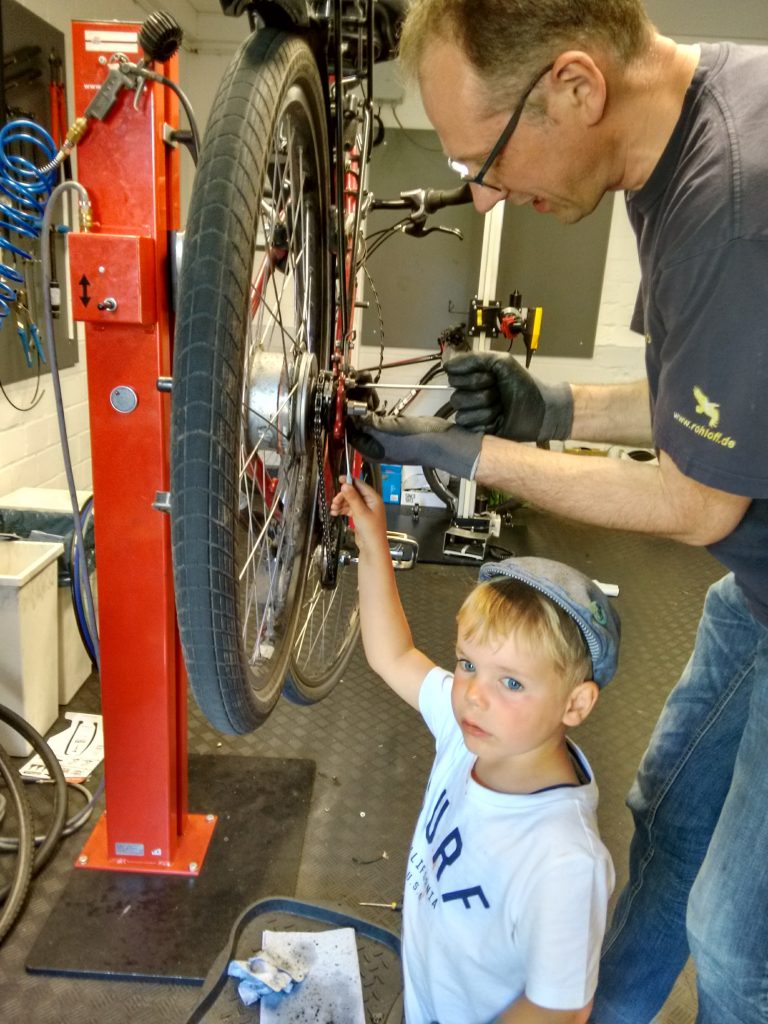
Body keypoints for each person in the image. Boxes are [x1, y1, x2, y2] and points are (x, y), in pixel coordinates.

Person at [348, 3, 768, 1022]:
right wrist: (558, 406)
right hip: (758, 587)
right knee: (668, 820)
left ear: (576, 87)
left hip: (739, 539)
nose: (485, 197)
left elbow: (698, 498)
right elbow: (703, 402)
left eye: (484, 160)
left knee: (733, 934)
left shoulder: (734, 202)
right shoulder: (672, 156)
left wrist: (482, 456)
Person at [330, 477, 620, 1024]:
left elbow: (560, 1010)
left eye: (511, 682)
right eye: (468, 664)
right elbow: (394, 656)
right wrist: (371, 539)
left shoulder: (565, 863)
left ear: (575, 704)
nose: (474, 695)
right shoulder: (473, 734)